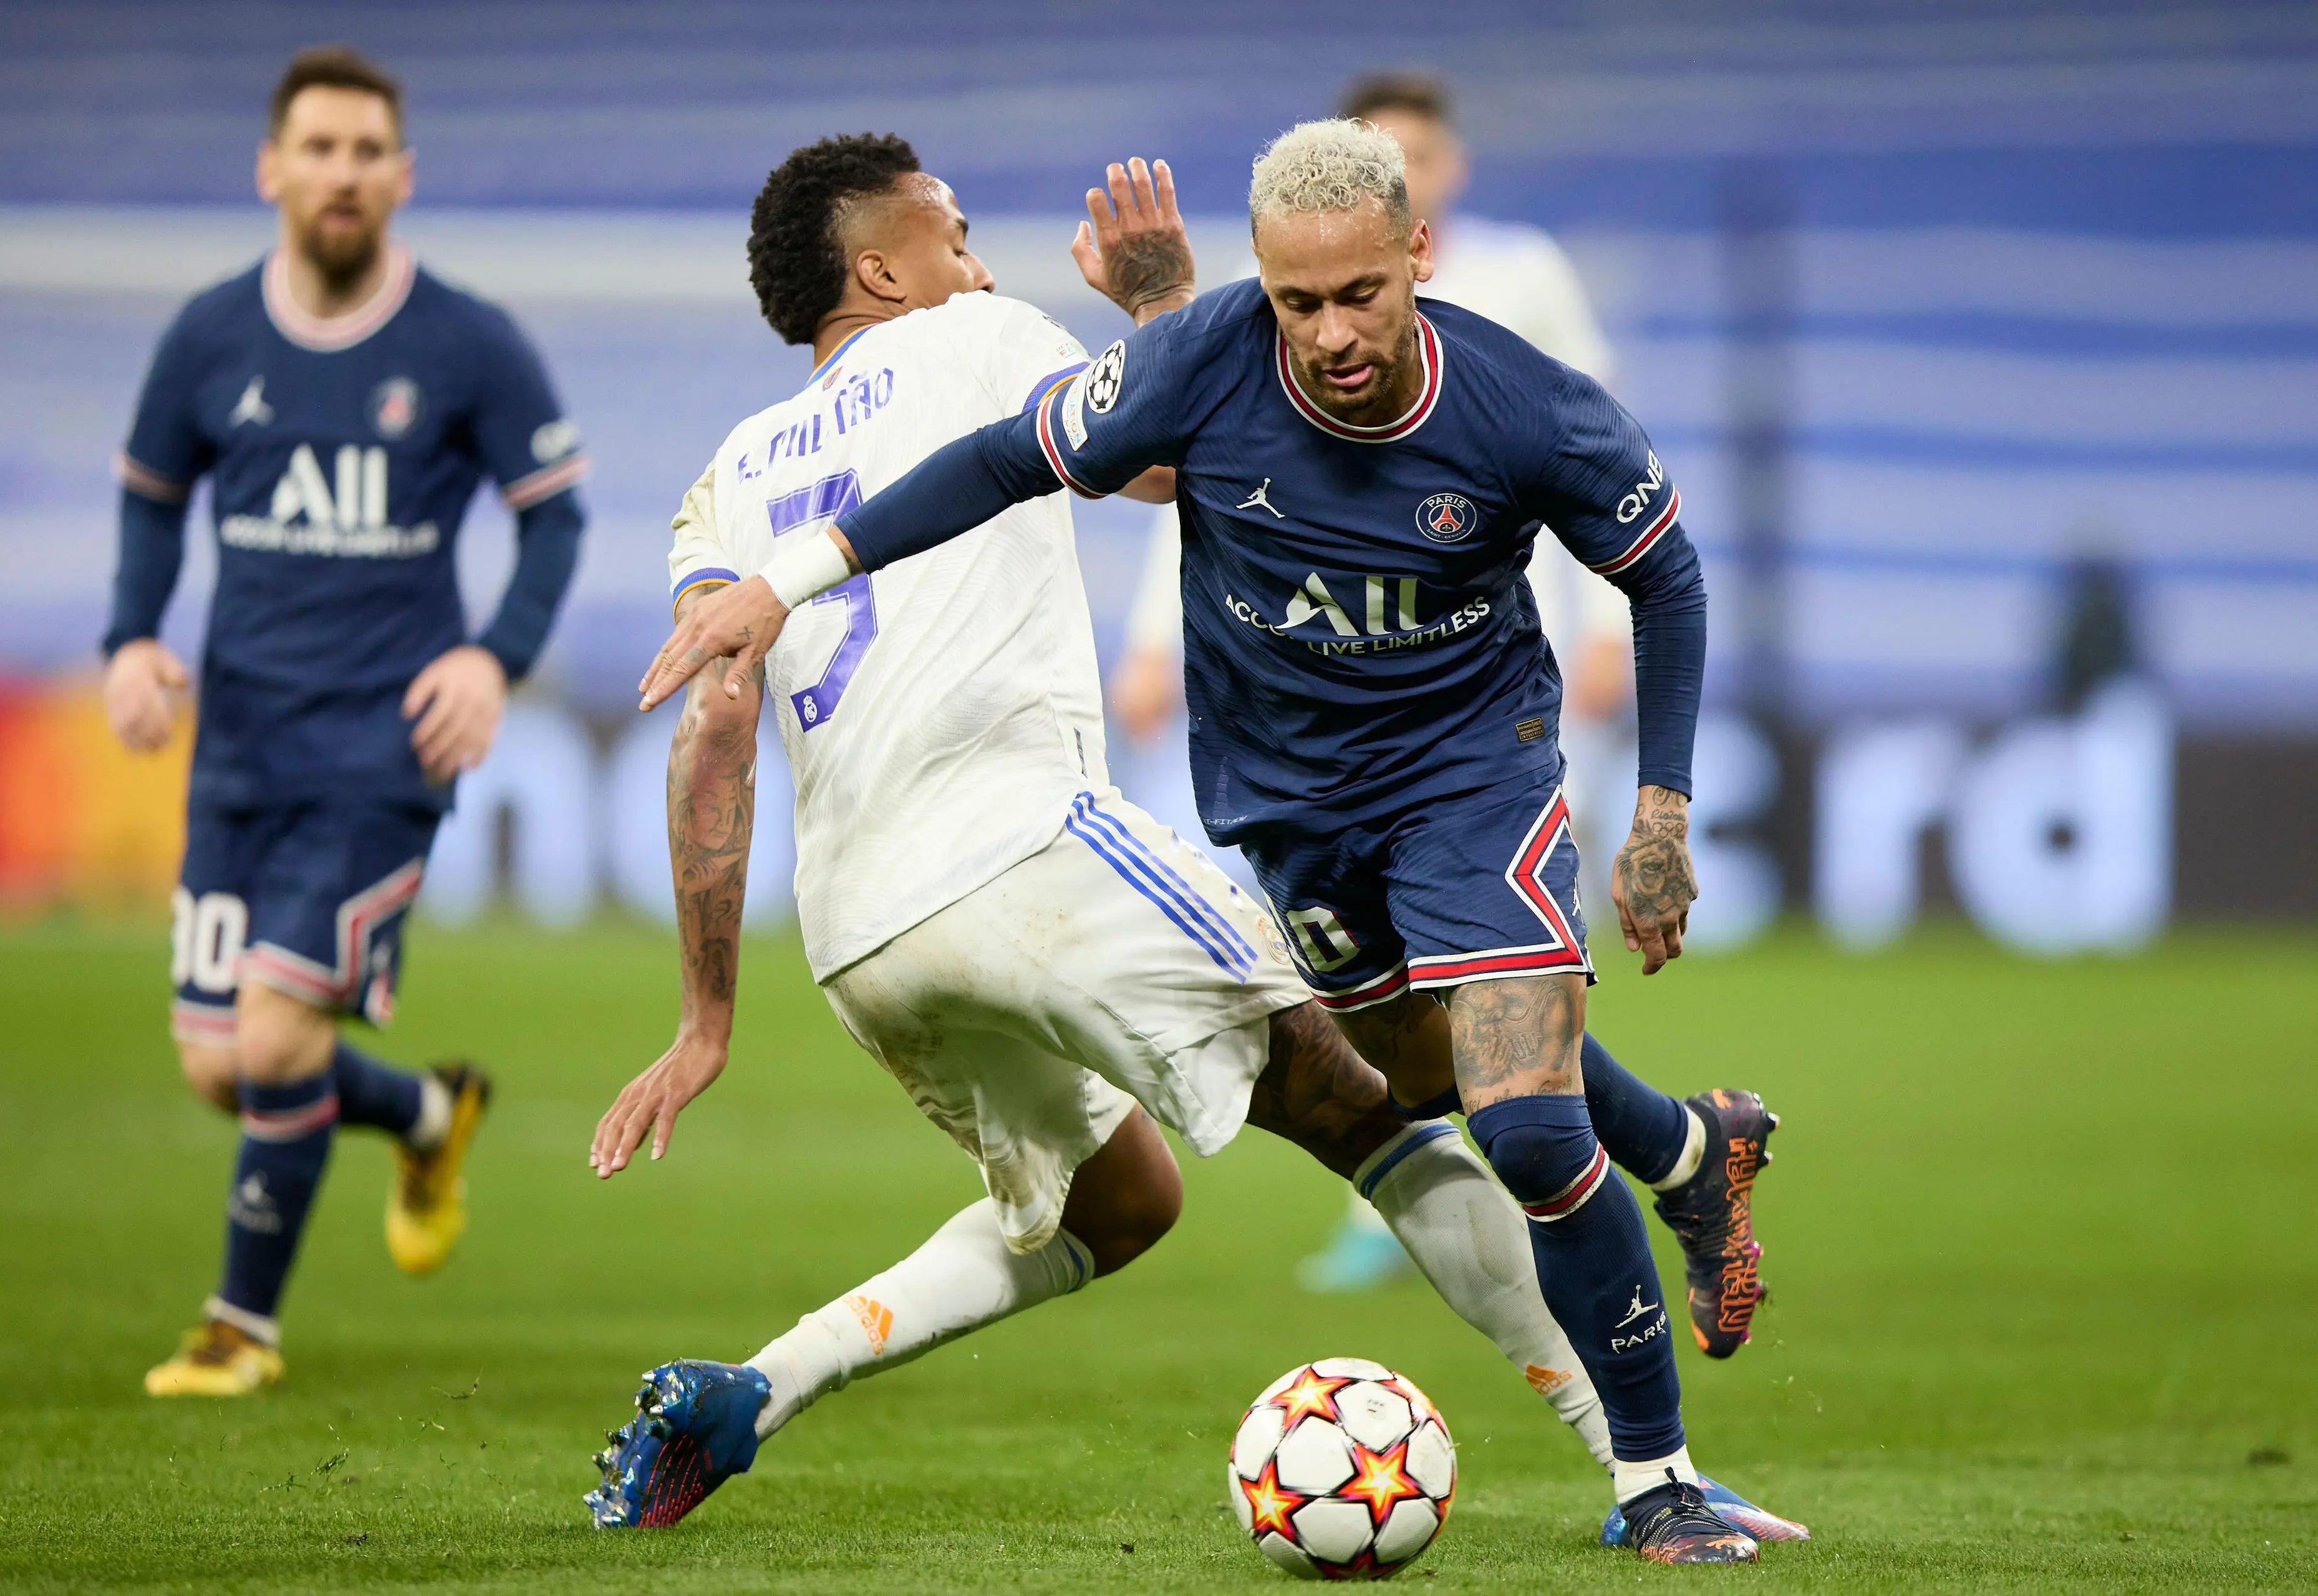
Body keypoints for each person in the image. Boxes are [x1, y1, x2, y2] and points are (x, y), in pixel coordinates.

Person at [586, 135, 1800, 1562]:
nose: (981, 262)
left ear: (1414, 260)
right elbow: (1173, 449)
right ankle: (1665, 1302)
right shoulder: (988, 336)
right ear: (884, 271)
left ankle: (761, 1385)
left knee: (1168, 1188)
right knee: (1384, 1098)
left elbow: (716, 720)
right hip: (1082, 844)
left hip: (867, 928)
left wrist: (706, 1014)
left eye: (1356, 294)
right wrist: (1161, 306)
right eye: (956, 237)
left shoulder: (725, 477)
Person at [1108, 74, 1651, 1297]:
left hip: (1489, 680)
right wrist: (1151, 640)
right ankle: (1648, 1145)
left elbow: (1598, 444)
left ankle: (1487, 1184)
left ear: (1439, 184)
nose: (1332, 322)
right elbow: (1205, 480)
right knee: (1406, 1009)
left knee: (1501, 965)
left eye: (1420, 156)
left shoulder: (1521, 278)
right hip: (1321, 700)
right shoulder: (1278, 304)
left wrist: (1608, 617)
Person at [103, 46, 587, 1396]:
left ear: (401, 177)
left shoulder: (467, 340)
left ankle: (238, 1330)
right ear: (272, 167)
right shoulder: (208, 335)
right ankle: (429, 1112)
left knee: (273, 1040)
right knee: (223, 1065)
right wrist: (131, 636)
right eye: (319, 147)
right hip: (239, 752)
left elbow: (555, 518)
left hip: (384, 751)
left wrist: (492, 659)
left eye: (368, 151)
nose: (343, 172)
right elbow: (151, 495)